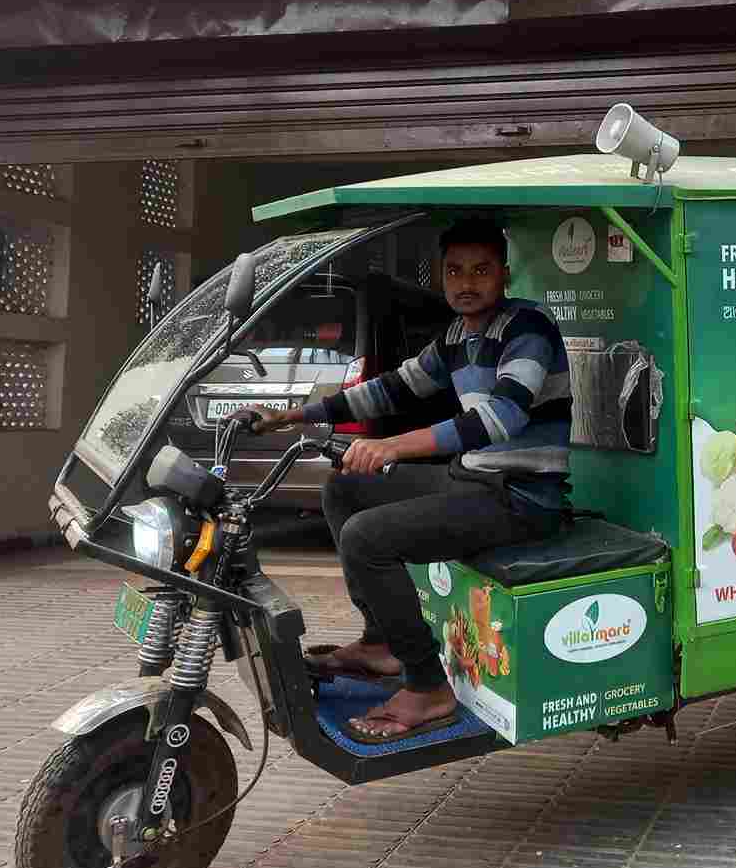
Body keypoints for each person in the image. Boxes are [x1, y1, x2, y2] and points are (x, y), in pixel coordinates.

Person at [237, 218, 570, 743]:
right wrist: (295, 416)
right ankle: (381, 644)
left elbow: (498, 419)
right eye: (454, 271)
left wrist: (392, 447)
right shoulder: (458, 335)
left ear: (505, 275)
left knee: (367, 538)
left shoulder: (527, 328)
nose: (467, 282)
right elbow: (393, 388)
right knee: (343, 488)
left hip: (522, 496)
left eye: (481, 270)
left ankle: (428, 684)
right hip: (474, 480)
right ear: (441, 276)